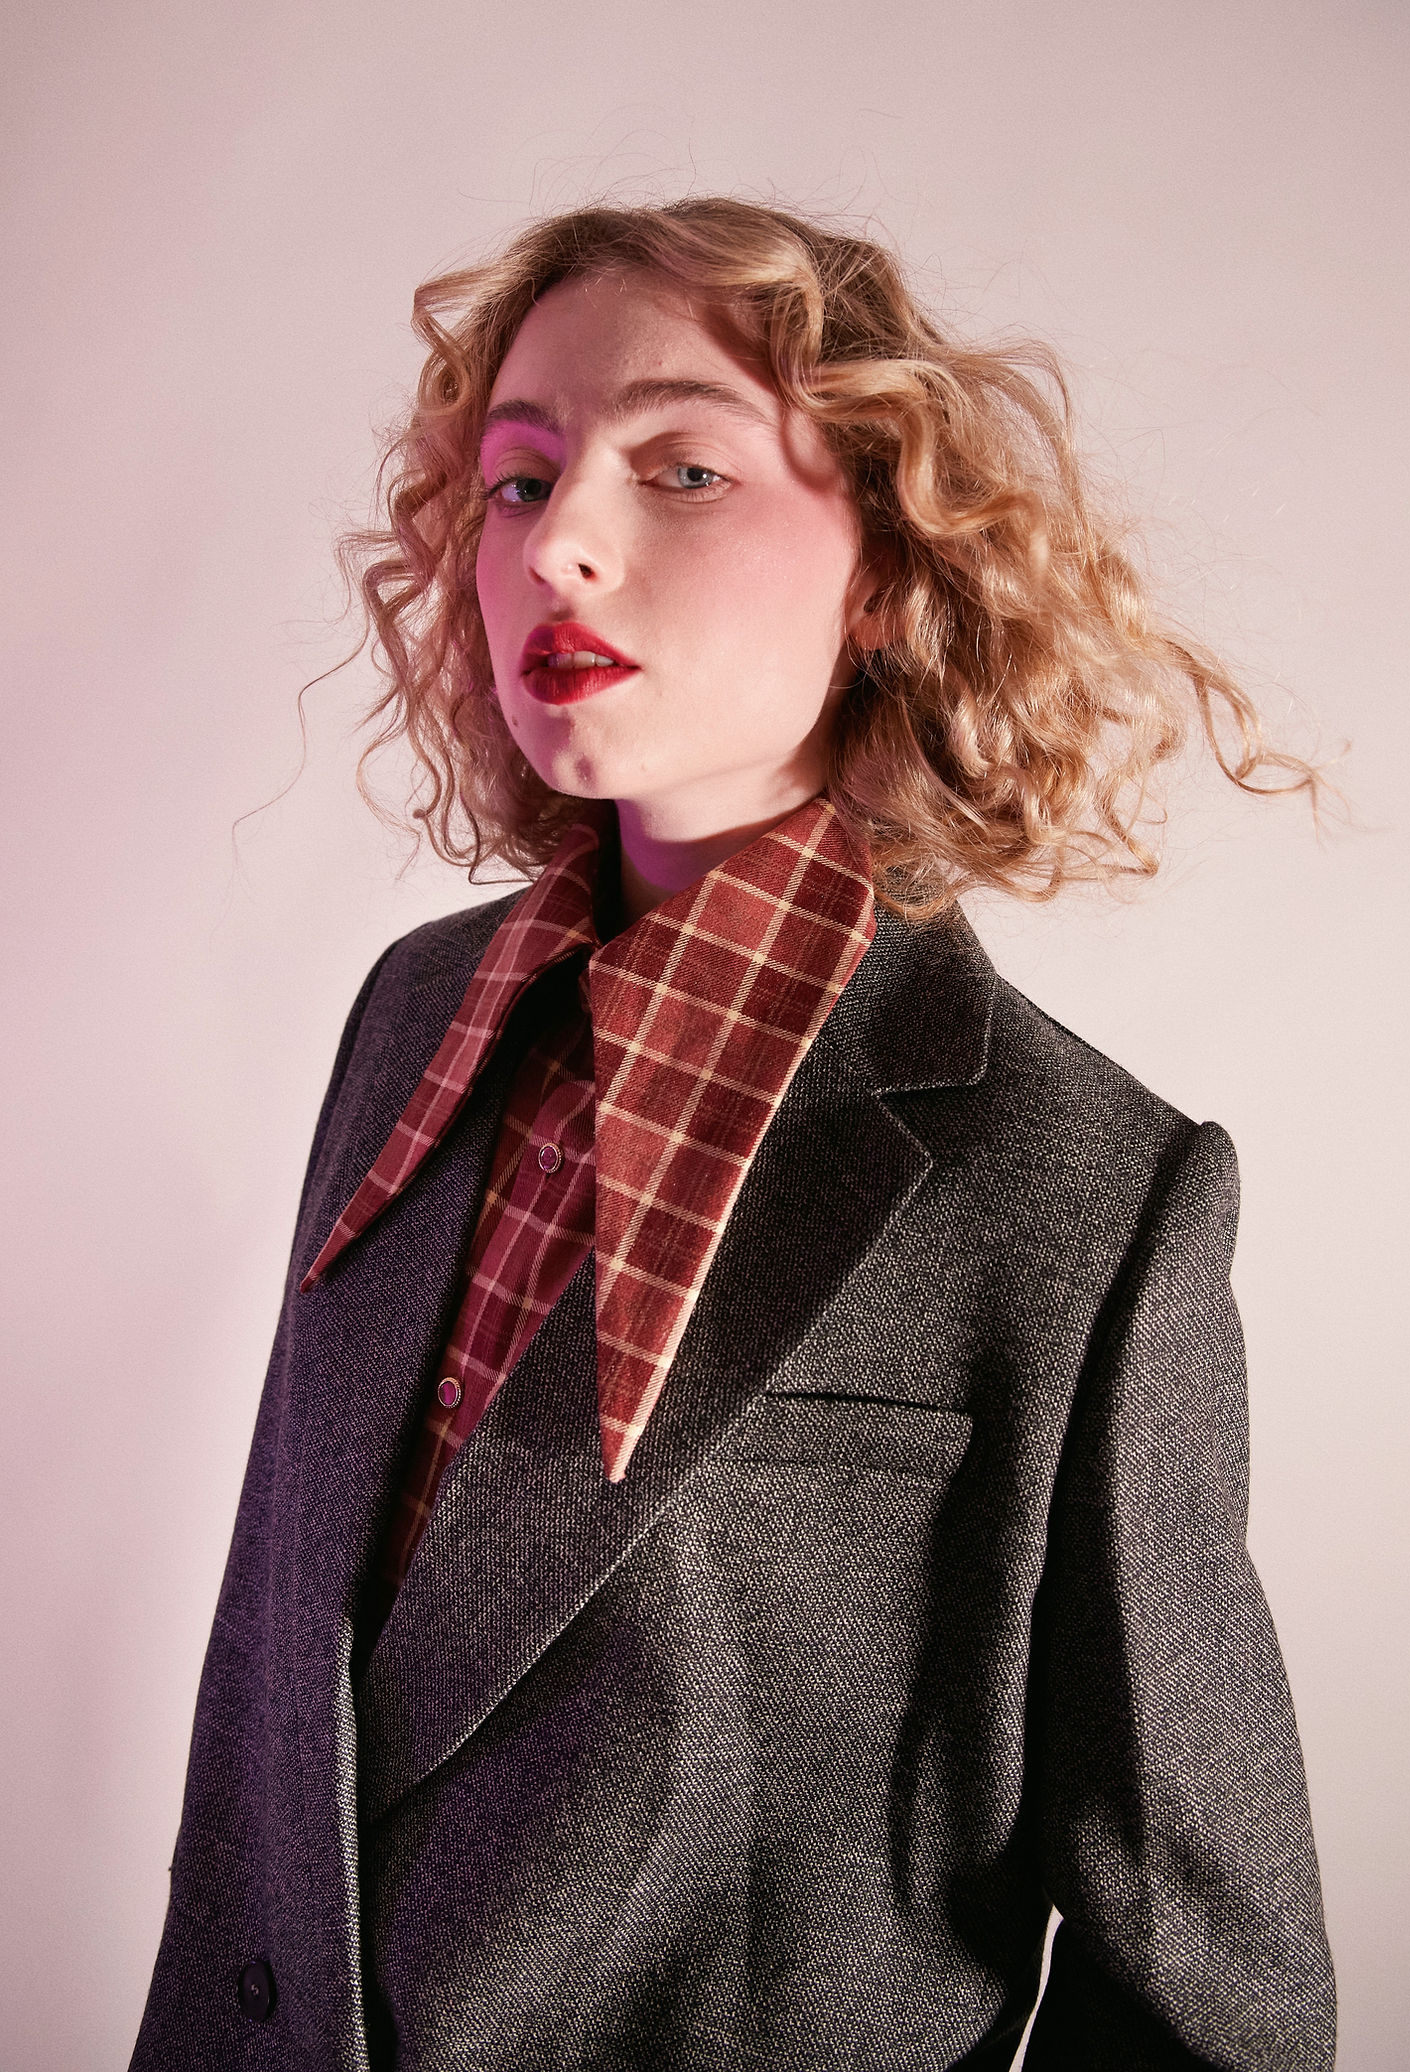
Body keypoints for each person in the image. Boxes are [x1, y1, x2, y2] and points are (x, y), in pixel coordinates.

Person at [131, 198, 1337, 2071]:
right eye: (519, 482)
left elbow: (1210, 2004)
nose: (563, 545)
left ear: (888, 564)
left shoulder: (1083, 1194)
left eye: (683, 469)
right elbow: (282, 1717)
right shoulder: (411, 1024)